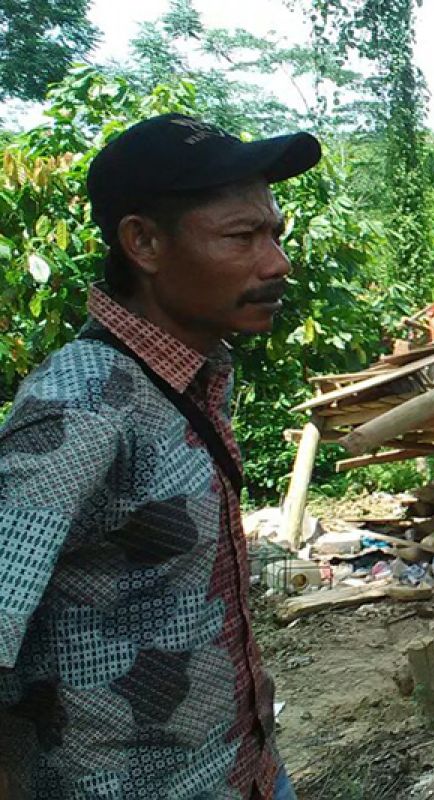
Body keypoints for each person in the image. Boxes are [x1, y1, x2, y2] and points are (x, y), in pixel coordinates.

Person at [0, 113, 321, 799]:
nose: (277, 263)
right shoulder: (80, 409)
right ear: (143, 242)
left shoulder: (190, 375)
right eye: (242, 237)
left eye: (275, 234)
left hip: (243, 770)